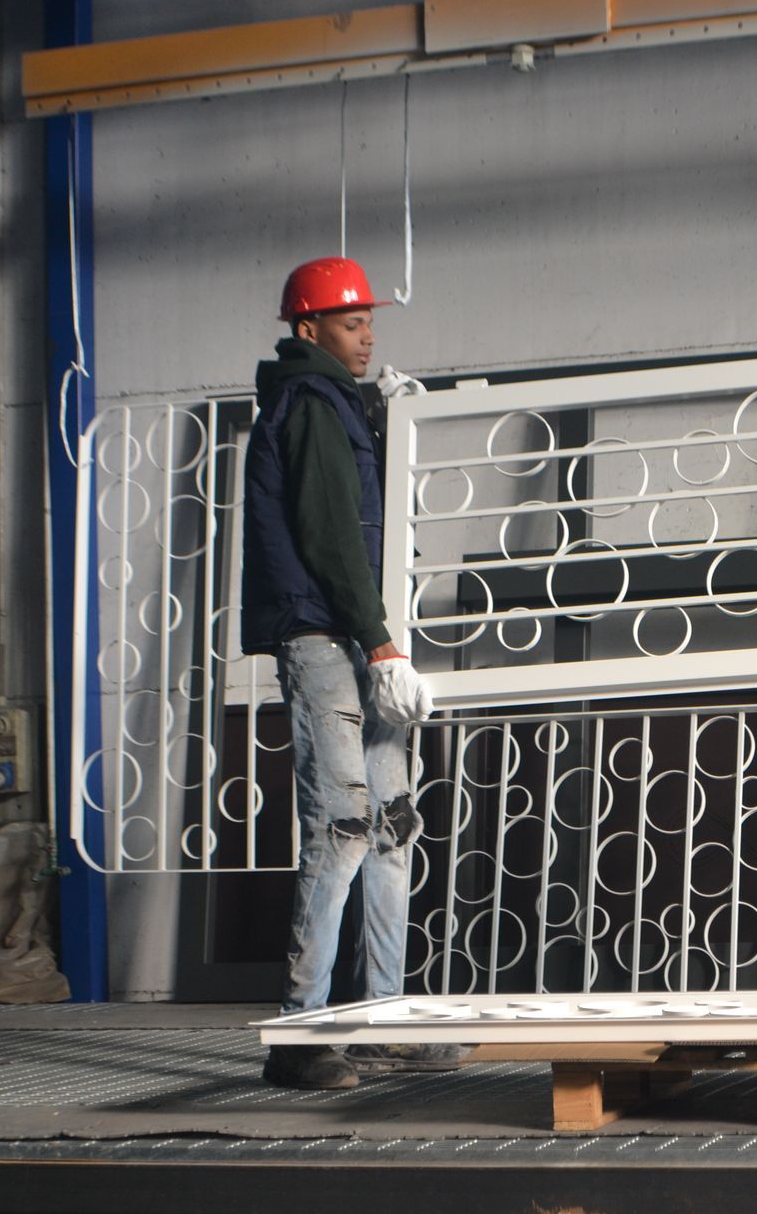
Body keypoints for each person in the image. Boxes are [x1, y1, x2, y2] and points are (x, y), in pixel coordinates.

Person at [242, 256, 458, 1090]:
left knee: (391, 827)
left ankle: (383, 1019)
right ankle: (300, 1038)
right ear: (310, 331)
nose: (368, 333)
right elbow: (330, 532)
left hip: (357, 635)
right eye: (351, 321)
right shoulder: (308, 405)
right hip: (326, 636)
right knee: (341, 830)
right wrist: (377, 643)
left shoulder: (341, 406)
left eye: (370, 319)